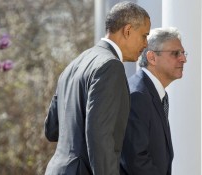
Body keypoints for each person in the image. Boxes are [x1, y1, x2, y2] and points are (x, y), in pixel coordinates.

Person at [44, 2, 151, 175]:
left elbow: (52, 129)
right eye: (144, 36)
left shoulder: (74, 64)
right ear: (128, 30)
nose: (146, 44)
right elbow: (99, 137)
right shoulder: (111, 66)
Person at [120, 27, 187, 175]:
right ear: (152, 57)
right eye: (175, 53)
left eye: (183, 53)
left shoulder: (155, 93)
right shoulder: (138, 95)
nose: (183, 59)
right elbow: (135, 160)